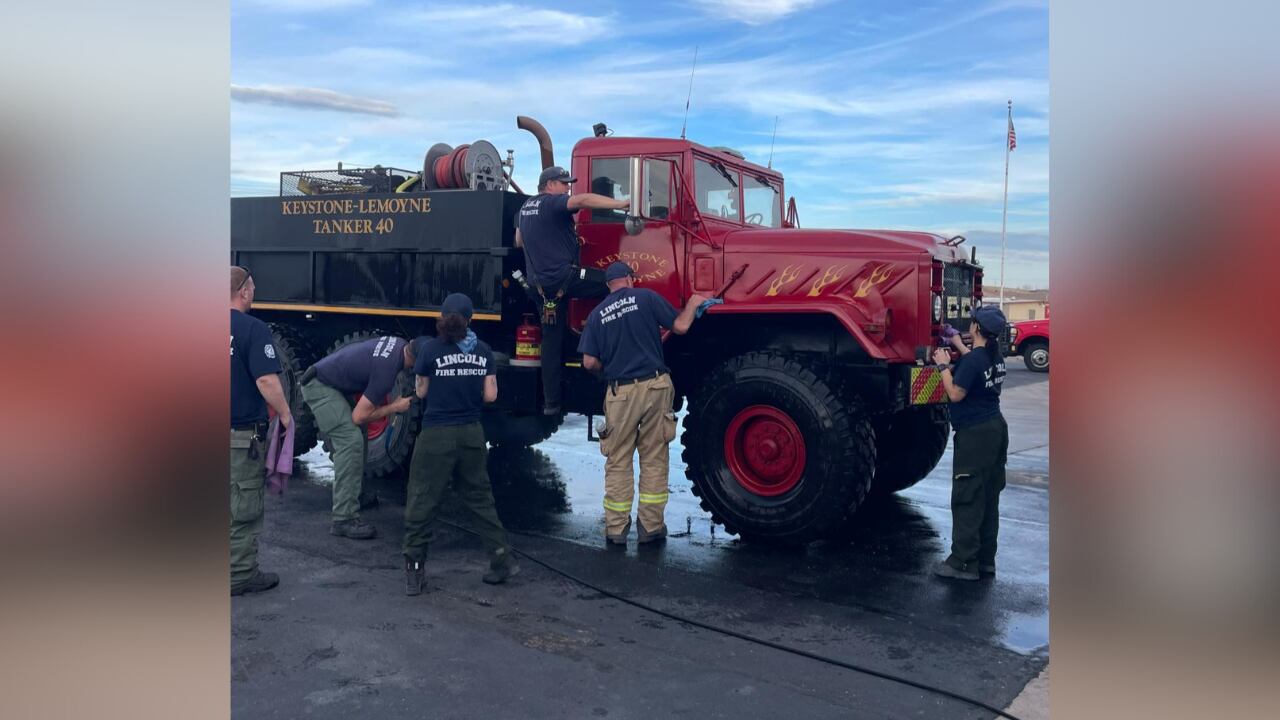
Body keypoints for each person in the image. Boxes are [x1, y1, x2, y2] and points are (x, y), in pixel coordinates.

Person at [577, 262, 706, 545]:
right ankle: (650, 528)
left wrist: (606, 367)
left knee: (618, 460)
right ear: (629, 280)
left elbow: (588, 361)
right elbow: (682, 326)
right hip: (656, 386)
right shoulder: (646, 298)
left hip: (620, 392)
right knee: (654, 458)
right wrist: (695, 302)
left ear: (609, 285)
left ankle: (616, 531)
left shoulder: (597, 314)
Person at [402, 293, 517, 595]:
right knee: (480, 498)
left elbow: (422, 392)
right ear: (470, 320)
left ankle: (415, 572)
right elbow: (491, 396)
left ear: (441, 319)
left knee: (422, 500)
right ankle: (501, 559)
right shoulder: (483, 351)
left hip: (436, 435)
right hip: (471, 434)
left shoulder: (429, 350)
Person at [515, 165, 631, 415]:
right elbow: (583, 199)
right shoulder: (551, 203)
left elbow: (518, 240)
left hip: (540, 287)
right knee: (615, 283)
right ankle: (599, 351)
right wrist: (622, 204)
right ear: (549, 186)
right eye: (563, 183)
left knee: (552, 342)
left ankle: (552, 404)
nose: (567, 187)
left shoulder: (525, 208)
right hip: (564, 278)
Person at [300, 334, 414, 539]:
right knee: (350, 440)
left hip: (332, 382)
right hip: (319, 386)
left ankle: (354, 494)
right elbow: (359, 415)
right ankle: (343, 519)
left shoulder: (400, 345)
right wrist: (394, 407)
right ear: (413, 362)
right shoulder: (386, 373)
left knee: (358, 433)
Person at [931, 305, 1009, 581]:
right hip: (996, 429)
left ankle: (963, 563)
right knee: (989, 495)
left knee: (967, 495)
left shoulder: (975, 360)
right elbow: (974, 363)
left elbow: (955, 393)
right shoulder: (994, 356)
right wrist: (955, 344)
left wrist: (942, 364)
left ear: (975, 327)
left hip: (975, 434)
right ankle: (985, 560)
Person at [230, 266, 291, 596]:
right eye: (252, 288)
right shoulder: (252, 329)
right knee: (243, 505)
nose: (254, 293)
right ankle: (239, 574)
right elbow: (267, 380)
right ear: (243, 292)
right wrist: (285, 414)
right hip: (239, 436)